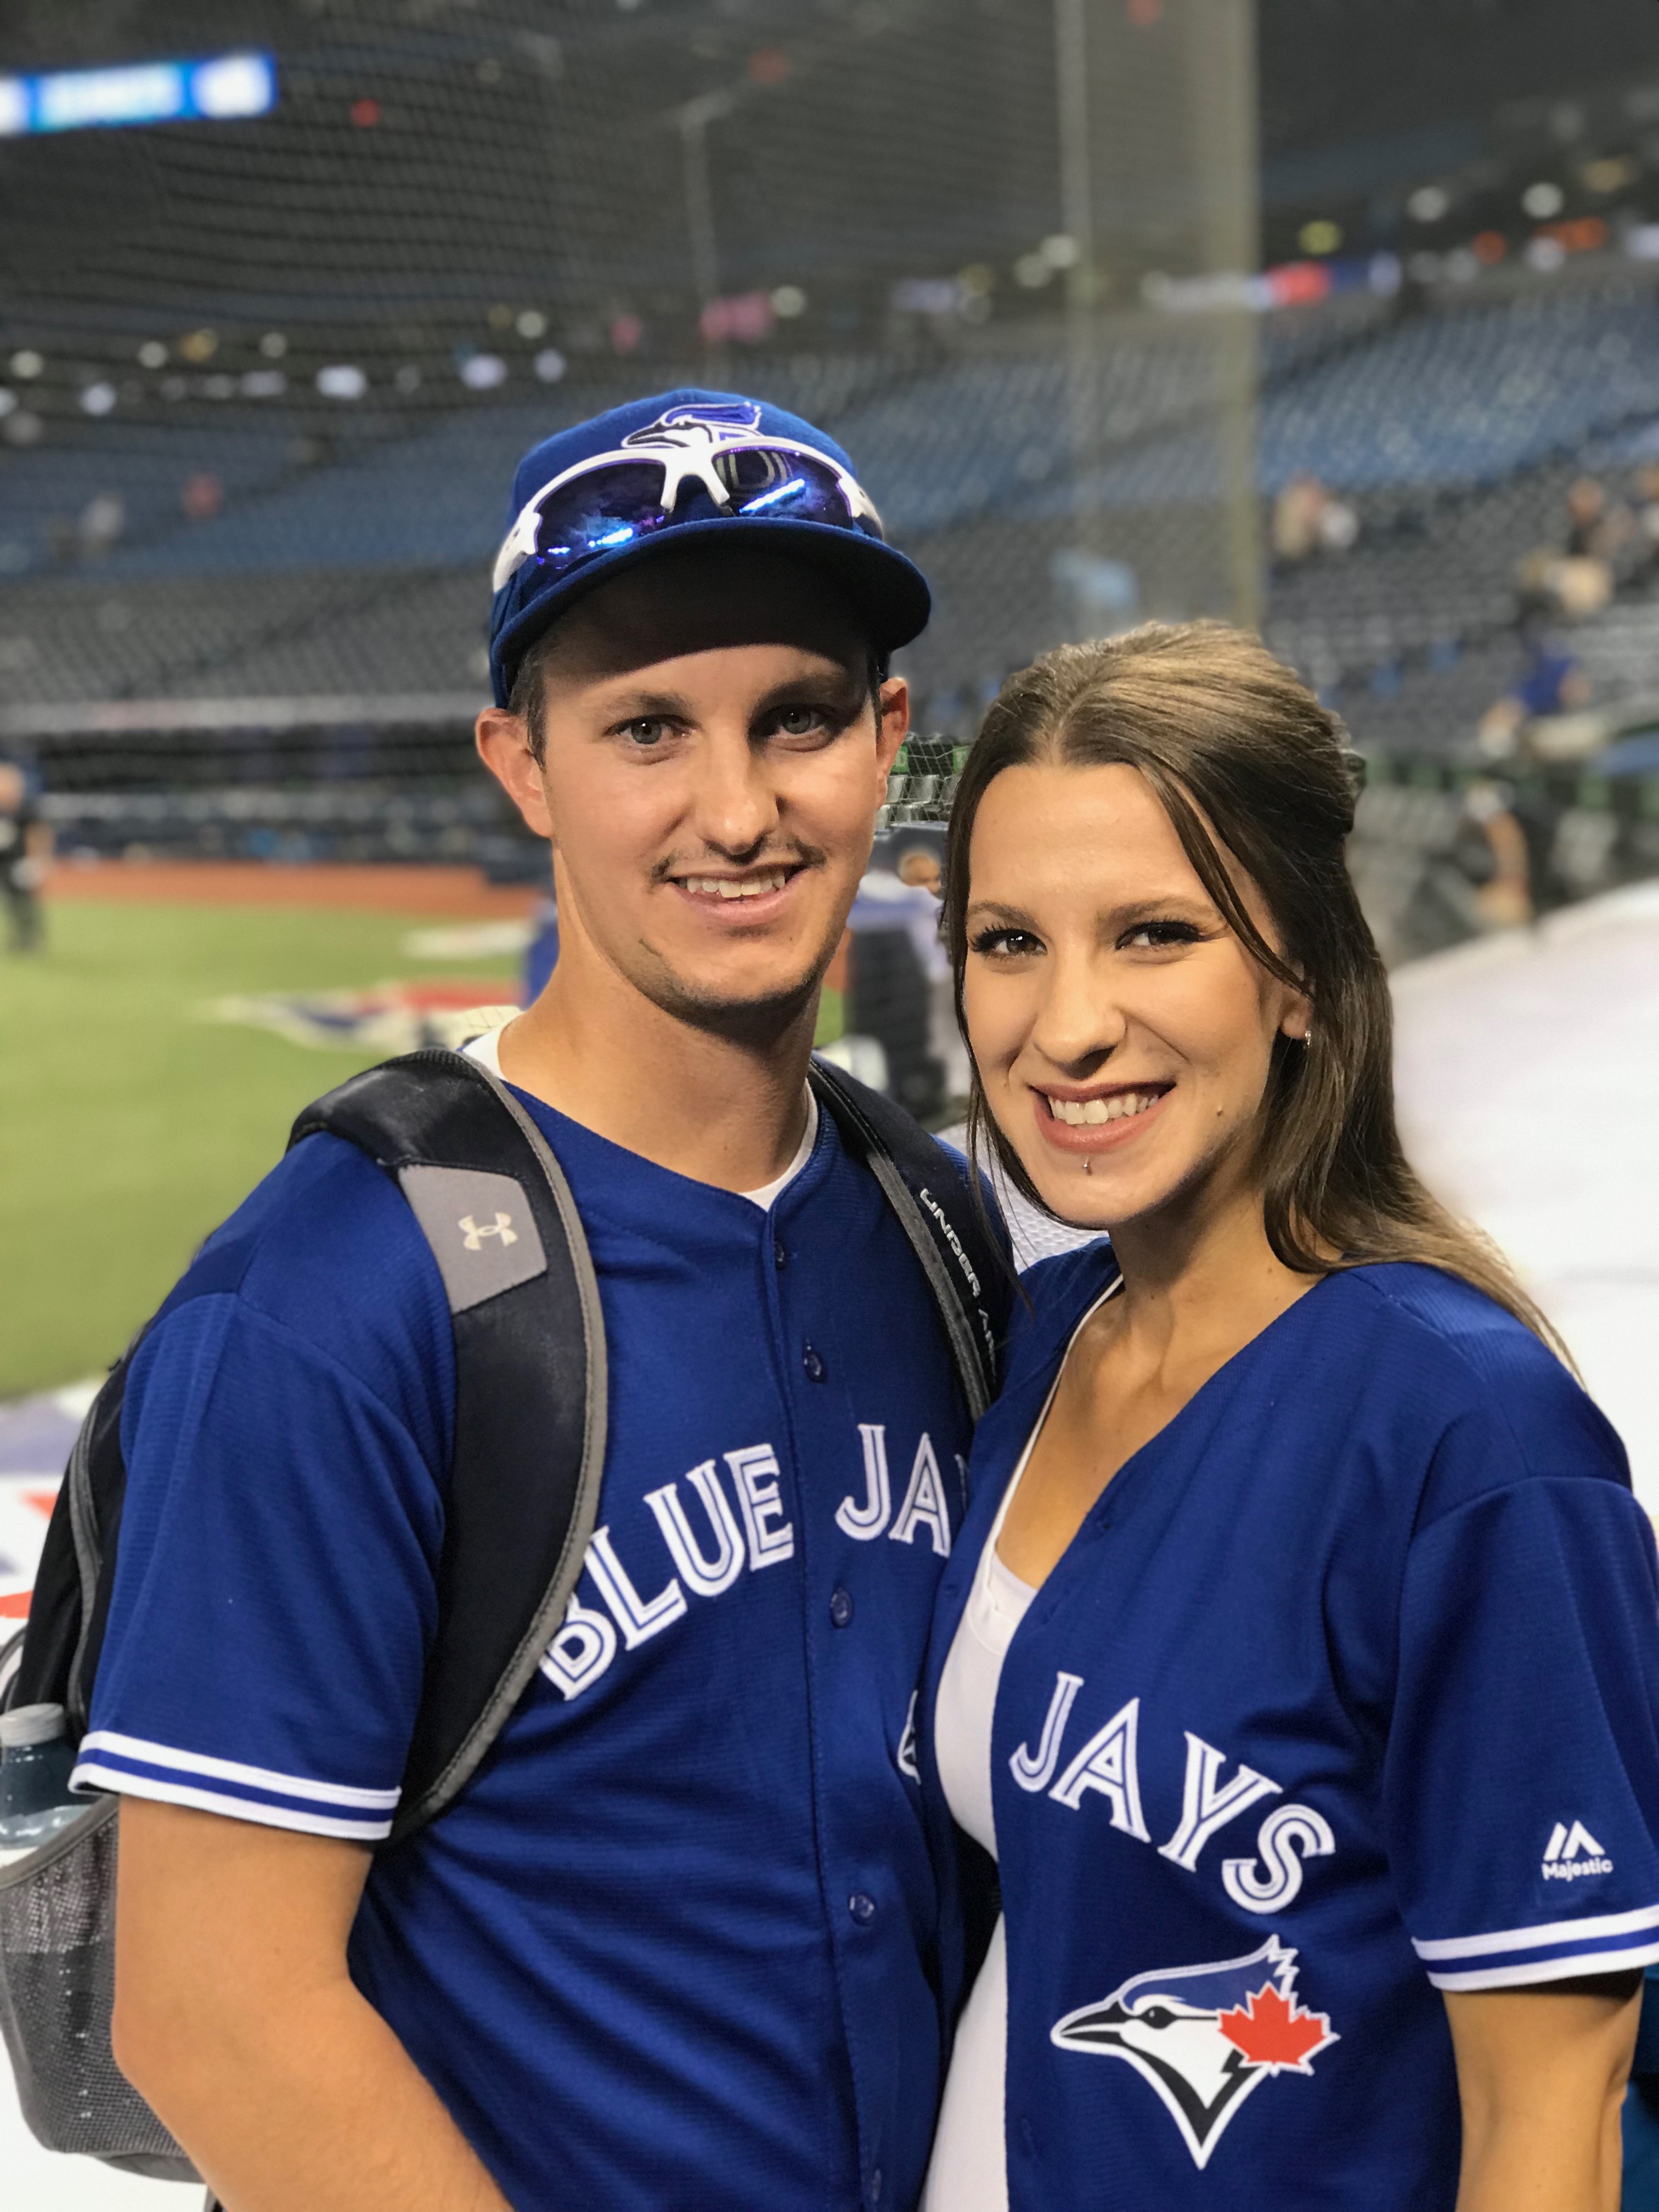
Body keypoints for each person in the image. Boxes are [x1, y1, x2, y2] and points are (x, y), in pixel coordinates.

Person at [84, 389, 984, 2212]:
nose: (737, 808)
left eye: (797, 718)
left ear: (887, 738)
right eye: (646, 727)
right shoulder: (330, 1295)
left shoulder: (938, 1234)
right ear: (520, 763)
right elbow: (210, 2012)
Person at [918, 623, 1659, 2211]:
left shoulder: (1473, 1445)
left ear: (1305, 976)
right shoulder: (1045, 1339)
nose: (1065, 1028)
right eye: (1008, 943)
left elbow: (1553, 2114)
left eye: (1155, 933)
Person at [0, 758, 50, 952]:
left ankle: (29, 938)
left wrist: (36, 861)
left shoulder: (25, 810)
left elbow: (37, 835)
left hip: (18, 862)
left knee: (23, 901)